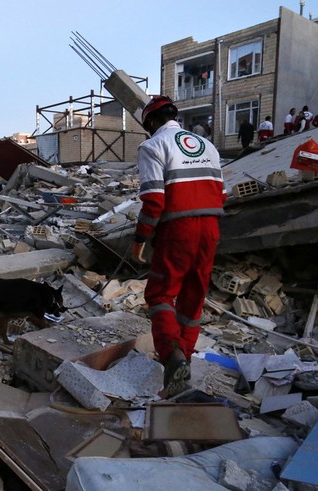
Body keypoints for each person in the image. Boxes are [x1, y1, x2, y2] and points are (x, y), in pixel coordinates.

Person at [131, 95, 225, 397]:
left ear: (150, 123)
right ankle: (182, 361)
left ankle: (171, 356)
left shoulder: (152, 146)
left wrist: (140, 239)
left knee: (160, 294)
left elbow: (155, 200)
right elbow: (218, 193)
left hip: (178, 229)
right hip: (210, 227)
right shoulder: (207, 146)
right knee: (193, 297)